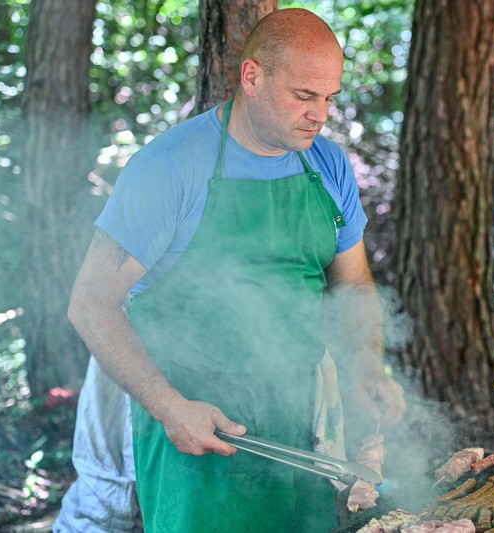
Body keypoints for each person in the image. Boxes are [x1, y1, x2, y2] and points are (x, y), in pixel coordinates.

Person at [59, 7, 406, 532]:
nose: (320, 115)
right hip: (197, 427)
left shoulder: (327, 164)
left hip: (296, 417)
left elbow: (353, 284)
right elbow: (90, 303)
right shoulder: (169, 168)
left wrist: (365, 366)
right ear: (252, 76)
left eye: (329, 98)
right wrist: (171, 408)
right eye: (304, 96)